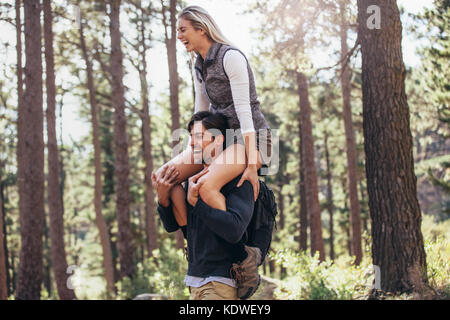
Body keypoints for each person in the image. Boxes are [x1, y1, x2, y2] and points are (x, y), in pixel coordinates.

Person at [154, 5, 272, 222]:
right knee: (164, 177)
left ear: (201, 29)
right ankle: (195, 244)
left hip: (251, 139)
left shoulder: (231, 57)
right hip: (218, 138)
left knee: (206, 185)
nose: (178, 36)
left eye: (182, 30)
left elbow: (244, 112)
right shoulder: (198, 65)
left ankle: (237, 250)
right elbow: (201, 112)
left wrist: (253, 162)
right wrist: (194, 144)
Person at [153, 112, 262, 300]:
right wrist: (163, 200)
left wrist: (197, 204)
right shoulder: (191, 182)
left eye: (198, 137)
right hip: (194, 281)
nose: (192, 144)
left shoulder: (238, 180)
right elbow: (178, 228)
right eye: (190, 138)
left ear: (218, 140)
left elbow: (234, 231)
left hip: (221, 282)